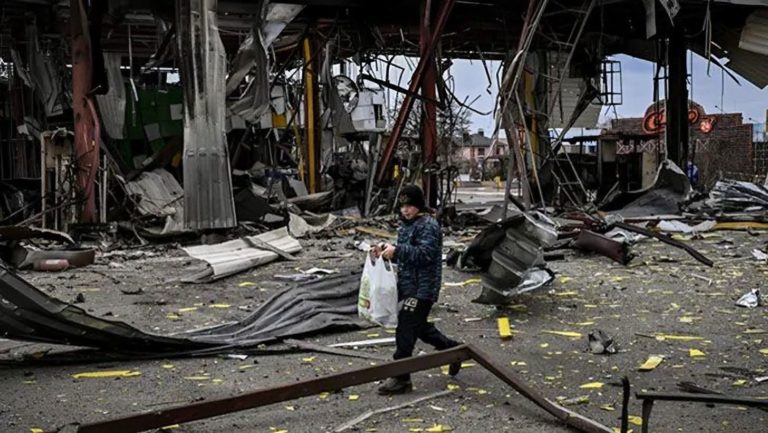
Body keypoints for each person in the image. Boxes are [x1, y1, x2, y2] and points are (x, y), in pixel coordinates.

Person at [371, 184, 461, 395]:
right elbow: (406, 254)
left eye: (410, 206)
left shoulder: (428, 225)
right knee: (419, 327)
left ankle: (401, 378)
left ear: (419, 205)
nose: (405, 210)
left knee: (405, 328)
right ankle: (453, 350)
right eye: (402, 206)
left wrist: (397, 251)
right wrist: (385, 251)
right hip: (408, 285)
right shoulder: (406, 225)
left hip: (423, 287)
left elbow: (425, 254)